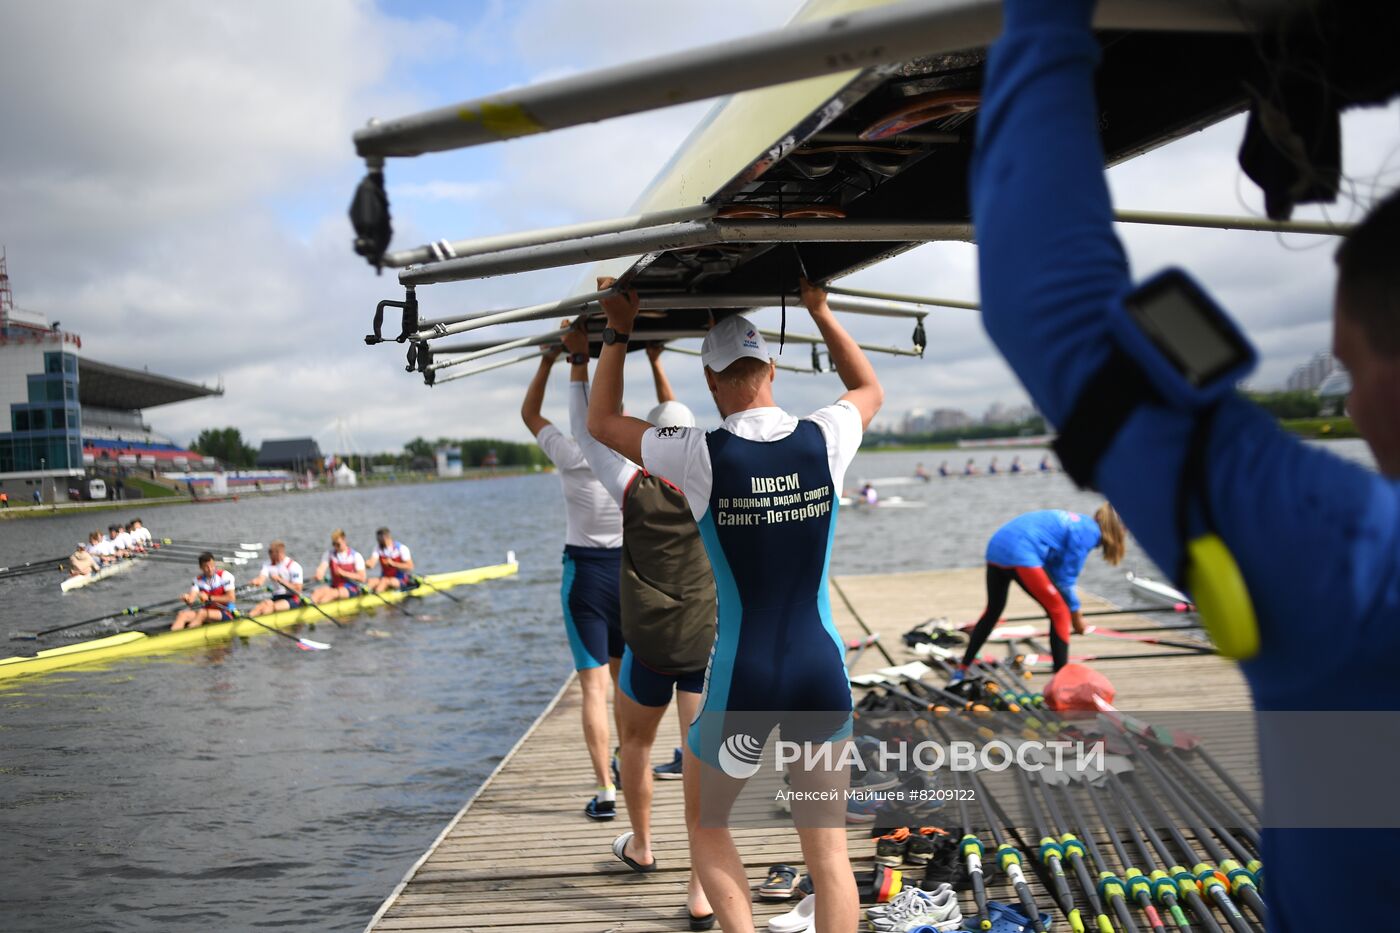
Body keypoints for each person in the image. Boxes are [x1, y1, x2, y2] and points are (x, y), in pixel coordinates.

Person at [972, 2, 1400, 925]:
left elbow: (1049, 301)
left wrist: (1046, 21)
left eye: (1354, 368)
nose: (1355, 406)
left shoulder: (1353, 563)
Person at [589, 276, 881, 933]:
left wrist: (618, 331)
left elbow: (601, 423)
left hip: (742, 676)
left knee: (708, 822)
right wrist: (822, 311)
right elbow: (869, 388)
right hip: (819, 668)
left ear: (713, 380)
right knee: (829, 854)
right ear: (770, 368)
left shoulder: (698, 454)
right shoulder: (827, 436)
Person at [565, 326, 716, 925]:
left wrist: (582, 359)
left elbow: (589, 430)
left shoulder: (633, 485)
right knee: (701, 757)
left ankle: (643, 846)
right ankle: (701, 890)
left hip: (650, 643)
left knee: (636, 743)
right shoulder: (717, 481)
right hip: (706, 640)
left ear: (651, 442)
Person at [521, 333, 625, 821]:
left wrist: (553, 361)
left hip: (585, 575)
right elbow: (605, 408)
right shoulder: (628, 454)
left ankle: (605, 789)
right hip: (629, 575)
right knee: (626, 681)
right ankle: (629, 758)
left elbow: (530, 414)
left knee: (593, 690)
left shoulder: (567, 452)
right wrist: (598, 355)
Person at [956, 507, 1126, 674]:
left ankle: (962, 668)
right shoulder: (1089, 533)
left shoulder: (1081, 523)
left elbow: (1055, 571)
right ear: (1118, 529)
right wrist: (1076, 617)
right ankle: (1062, 676)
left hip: (997, 546)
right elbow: (1066, 581)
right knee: (1060, 612)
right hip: (1021, 551)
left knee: (993, 610)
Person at [171, 552, 237, 630]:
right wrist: (187, 599)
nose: (210, 569)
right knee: (182, 614)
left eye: (212, 565)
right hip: (208, 612)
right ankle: (169, 637)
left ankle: (187, 634)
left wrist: (209, 597)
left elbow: (231, 598)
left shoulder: (225, 576)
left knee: (202, 612)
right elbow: (191, 600)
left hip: (227, 612)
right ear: (201, 568)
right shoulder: (197, 580)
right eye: (206, 567)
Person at [249, 541, 305, 615]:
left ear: (279, 553)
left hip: (293, 598)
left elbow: (298, 588)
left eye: (271, 554)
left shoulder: (293, 566)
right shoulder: (267, 564)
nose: (269, 556)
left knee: (272, 607)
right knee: (261, 606)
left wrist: (280, 580)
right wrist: (256, 581)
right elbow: (261, 578)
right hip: (276, 597)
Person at [311, 530, 368, 603]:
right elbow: (322, 567)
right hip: (335, 586)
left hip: (352, 588)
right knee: (317, 592)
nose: (335, 547)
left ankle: (320, 607)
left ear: (344, 540)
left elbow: (362, 578)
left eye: (338, 544)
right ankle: (309, 607)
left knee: (331, 594)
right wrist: (319, 573)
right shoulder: (329, 554)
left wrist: (343, 573)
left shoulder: (356, 556)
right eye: (333, 544)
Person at [366, 527, 414, 593]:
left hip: (401, 579)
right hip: (385, 577)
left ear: (386, 537)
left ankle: (375, 595)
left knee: (385, 581)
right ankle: (363, 595)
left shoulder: (401, 548)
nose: (378, 541)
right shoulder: (378, 548)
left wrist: (393, 564)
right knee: (371, 581)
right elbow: (372, 563)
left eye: (379, 539)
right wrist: (367, 564)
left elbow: (410, 566)